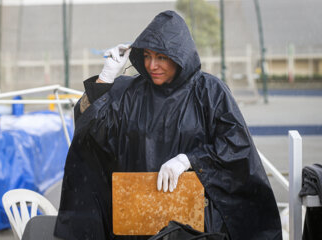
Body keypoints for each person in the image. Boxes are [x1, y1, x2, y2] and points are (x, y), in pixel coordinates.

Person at [54, 10, 282, 240]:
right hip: (136, 218)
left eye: (161, 57)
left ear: (179, 56)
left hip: (193, 220)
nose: (152, 65)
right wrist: (105, 78)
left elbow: (236, 145)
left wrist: (190, 160)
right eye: (147, 56)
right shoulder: (128, 92)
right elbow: (88, 131)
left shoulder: (209, 91)